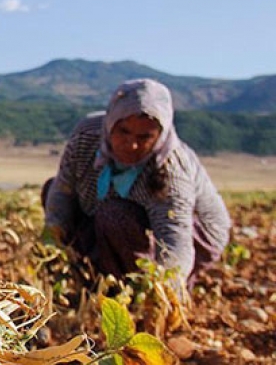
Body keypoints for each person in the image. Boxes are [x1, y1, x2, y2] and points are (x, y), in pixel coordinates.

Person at [42, 78, 231, 290]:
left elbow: (174, 242)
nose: (131, 145)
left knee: (114, 214)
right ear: (111, 122)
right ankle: (94, 278)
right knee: (52, 190)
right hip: (120, 218)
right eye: (123, 131)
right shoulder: (86, 136)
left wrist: (163, 291)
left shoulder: (169, 171)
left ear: (160, 135)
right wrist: (52, 248)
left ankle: (128, 289)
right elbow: (62, 191)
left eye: (145, 137)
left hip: (194, 234)